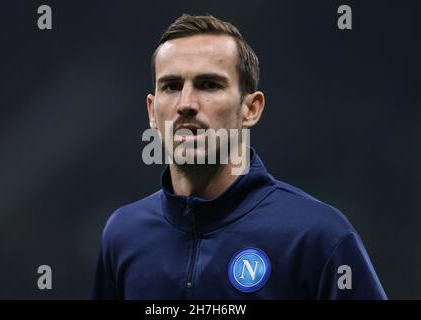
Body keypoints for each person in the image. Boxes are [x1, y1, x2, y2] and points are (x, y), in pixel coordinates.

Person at [93, 14, 387, 299]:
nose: (186, 104)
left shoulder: (317, 236)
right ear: (151, 111)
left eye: (209, 84)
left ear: (251, 109)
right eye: (171, 86)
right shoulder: (123, 234)